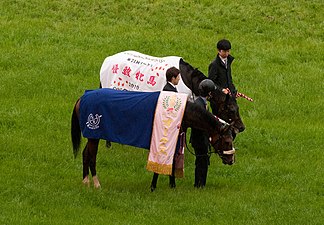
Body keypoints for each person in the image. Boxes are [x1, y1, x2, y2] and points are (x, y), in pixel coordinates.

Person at [190, 79, 215, 188]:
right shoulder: (199, 105)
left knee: (203, 161)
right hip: (199, 138)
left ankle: (201, 183)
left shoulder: (202, 103)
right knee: (201, 161)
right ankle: (199, 184)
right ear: (208, 93)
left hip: (202, 138)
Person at [208, 39, 236, 115]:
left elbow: (229, 78)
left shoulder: (229, 61)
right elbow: (211, 82)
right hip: (218, 99)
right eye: (224, 51)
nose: (227, 53)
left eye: (228, 51)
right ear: (218, 51)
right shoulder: (214, 65)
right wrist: (221, 90)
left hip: (229, 96)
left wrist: (233, 91)